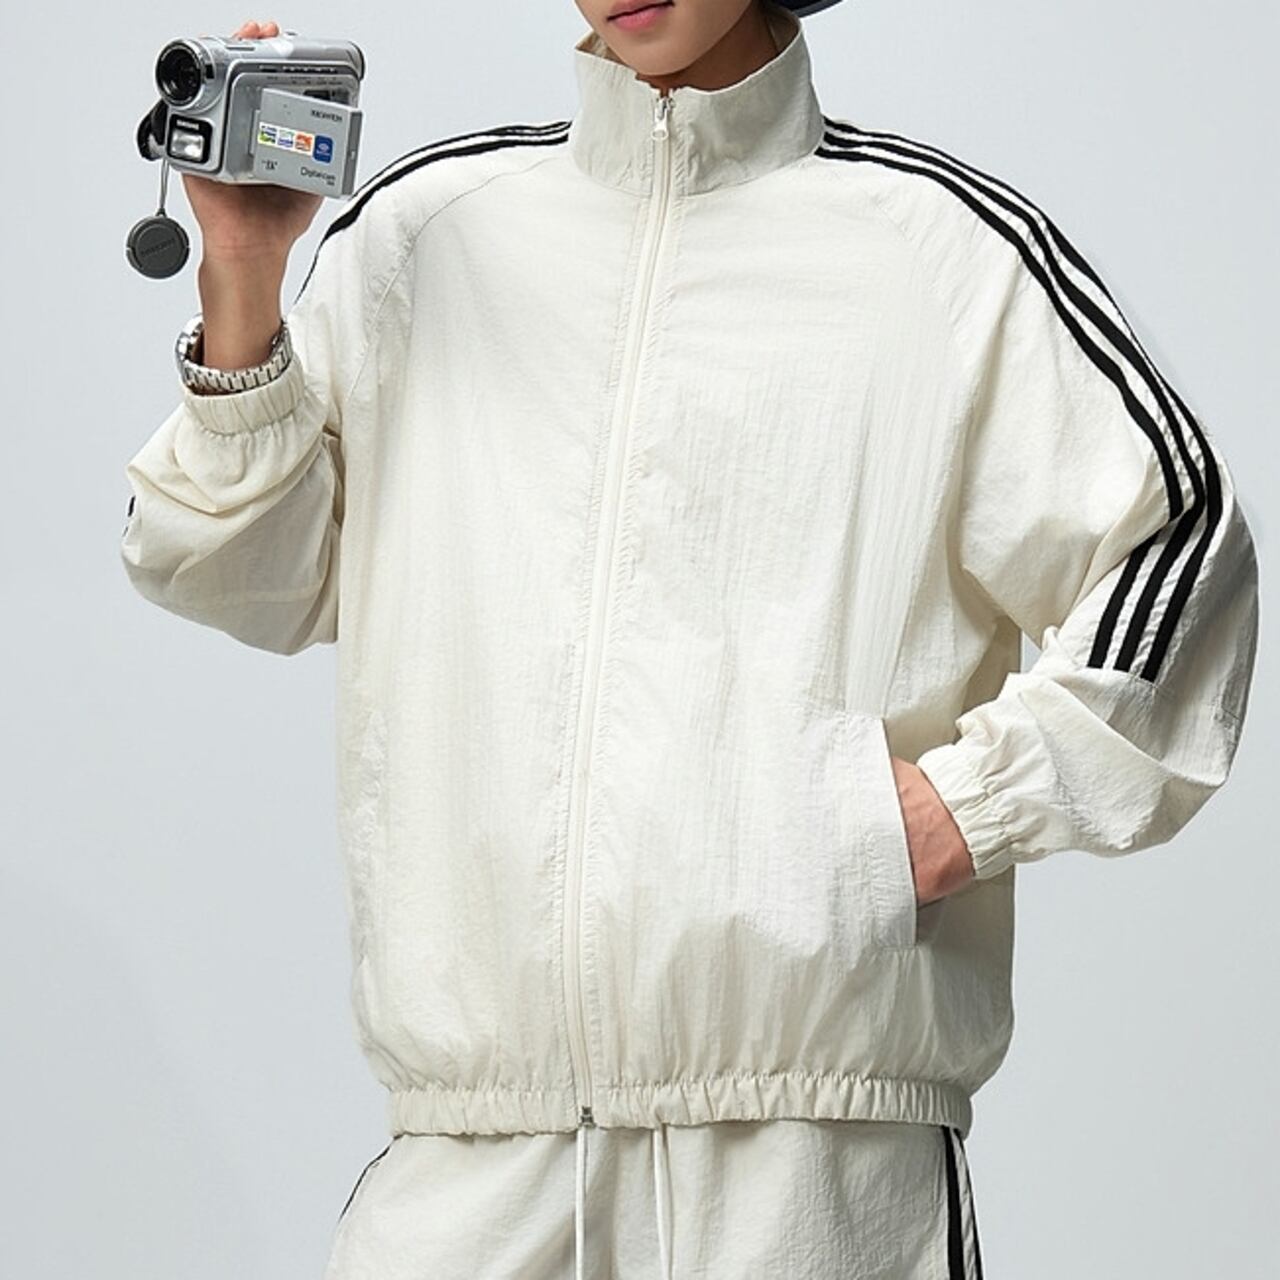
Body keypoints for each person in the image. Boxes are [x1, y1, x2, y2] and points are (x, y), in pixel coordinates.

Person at [118, 2, 1259, 1276]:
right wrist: (243, 274)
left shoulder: (938, 252)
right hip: (470, 1154)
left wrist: (944, 816)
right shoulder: (426, 235)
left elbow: (1178, 554)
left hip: (810, 1157)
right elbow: (240, 571)